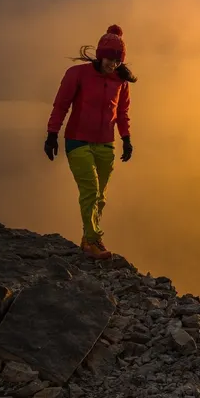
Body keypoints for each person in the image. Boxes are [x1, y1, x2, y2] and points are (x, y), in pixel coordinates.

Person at [44, 24, 137, 260]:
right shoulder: (77, 74)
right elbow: (61, 105)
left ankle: (88, 238)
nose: (112, 64)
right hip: (78, 141)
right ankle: (93, 240)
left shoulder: (121, 81)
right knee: (91, 190)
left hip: (106, 143)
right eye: (109, 58)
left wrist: (126, 139)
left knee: (101, 196)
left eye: (117, 61)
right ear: (100, 54)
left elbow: (122, 113)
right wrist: (52, 134)